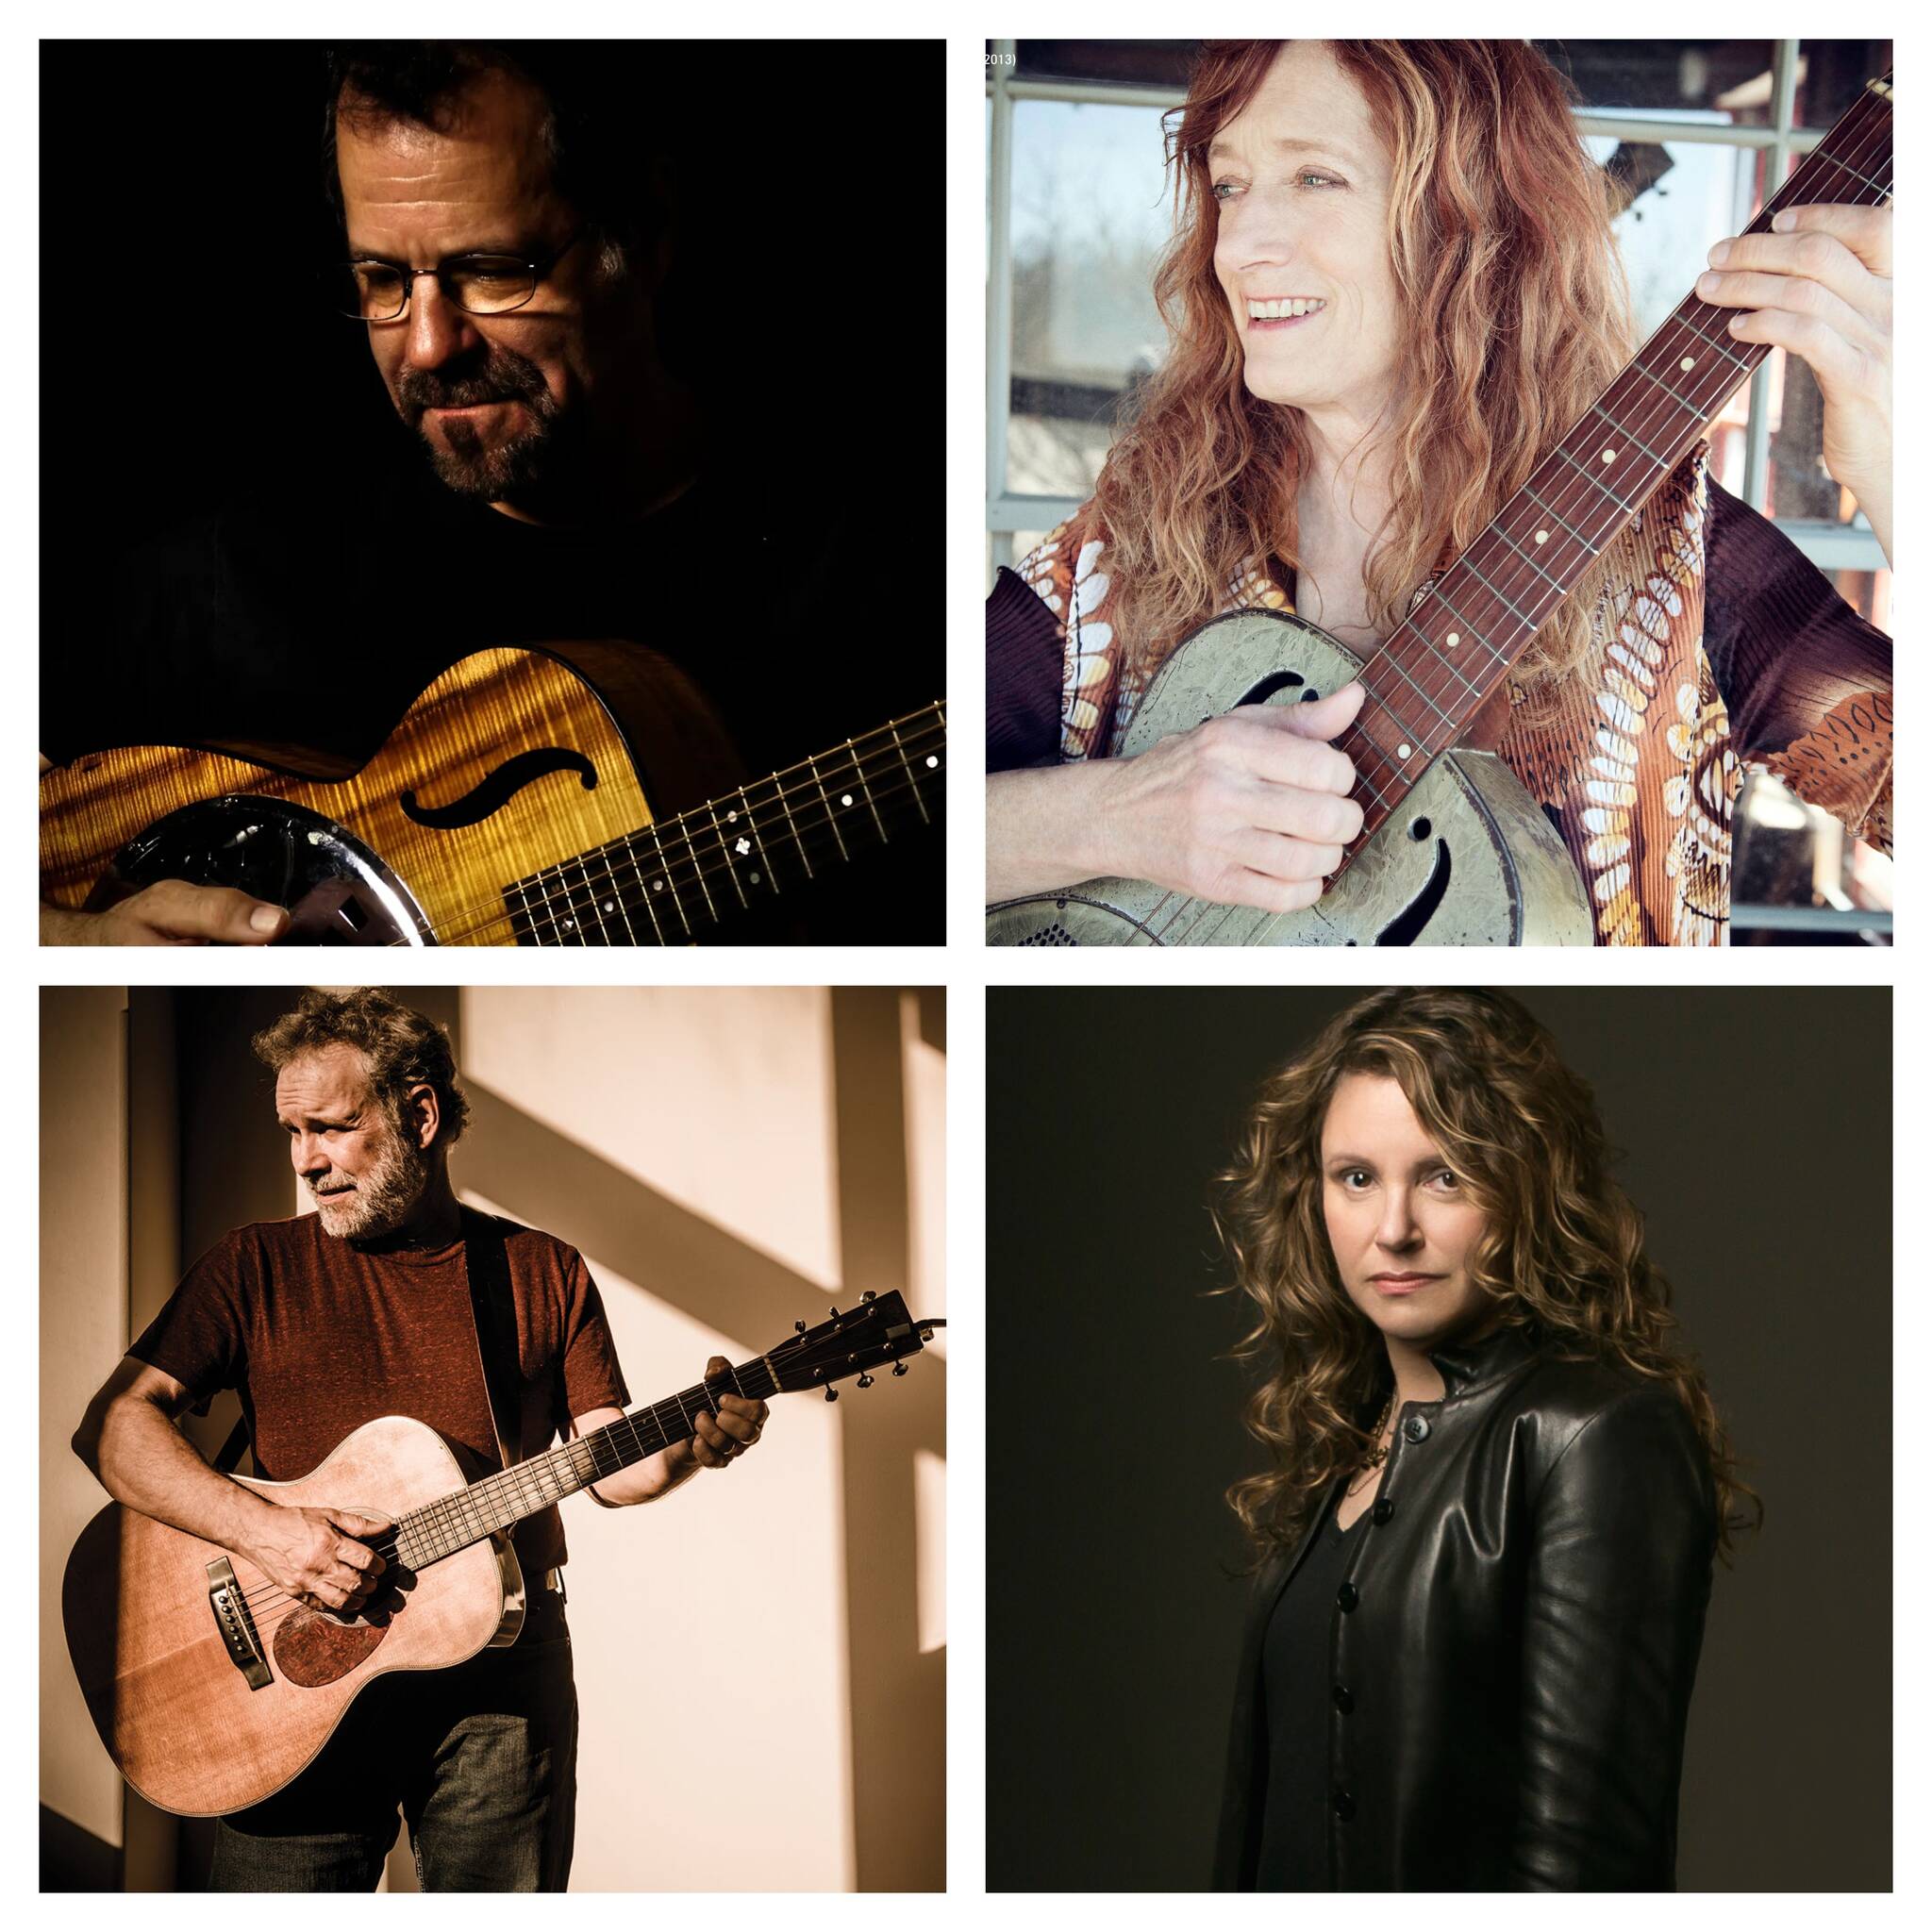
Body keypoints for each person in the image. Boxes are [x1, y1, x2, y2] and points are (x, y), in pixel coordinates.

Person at [987, 40, 1891, 944]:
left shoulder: (1679, 553)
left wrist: (1897, 477)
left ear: (1471, 220)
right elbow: (884, 814)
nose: (1244, 246)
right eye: (1230, 186)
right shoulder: (1136, 530)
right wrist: (1109, 814)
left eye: (1314, 178)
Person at [42, 42, 940, 945]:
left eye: (494, 270)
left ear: (647, 229)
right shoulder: (230, 582)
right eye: (383, 280)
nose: (428, 345)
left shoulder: (890, 577)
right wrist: (64, 942)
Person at [69, 989, 768, 1890]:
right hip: (292, 1662)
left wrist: (693, 1446)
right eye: (292, 1135)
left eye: (329, 1128)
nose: (306, 1163)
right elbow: (114, 1429)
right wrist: (274, 1536)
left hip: (501, 1691)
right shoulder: (255, 1266)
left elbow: (608, 1465)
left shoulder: (540, 1269)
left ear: (420, 1115)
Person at [1208, 987, 1755, 1890]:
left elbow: (1588, 1870)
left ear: (1525, 1180)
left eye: (1444, 1175)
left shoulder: (1596, 1435)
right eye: (1356, 1177)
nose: (1395, 1230)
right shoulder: (1344, 1443)